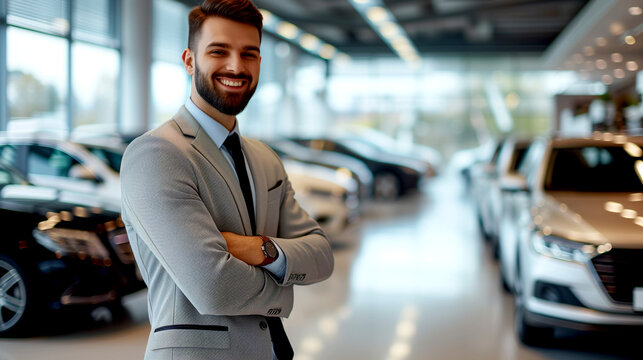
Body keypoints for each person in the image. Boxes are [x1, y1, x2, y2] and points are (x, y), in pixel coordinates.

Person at [120, 0, 334, 359]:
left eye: (249, 54)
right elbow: (213, 286)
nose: (236, 66)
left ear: (260, 63)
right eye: (219, 51)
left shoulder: (265, 159)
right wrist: (286, 284)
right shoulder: (157, 154)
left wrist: (261, 250)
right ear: (189, 60)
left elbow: (322, 255)